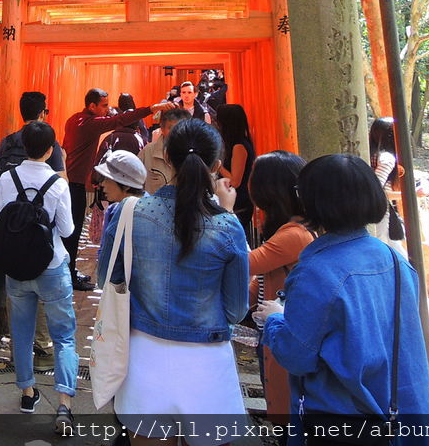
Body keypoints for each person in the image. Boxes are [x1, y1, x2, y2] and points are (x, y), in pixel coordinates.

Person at [256, 154, 429, 446]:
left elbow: (296, 356)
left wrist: (276, 318)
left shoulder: (316, 273)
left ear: (313, 202)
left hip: (342, 422)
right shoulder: (394, 259)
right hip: (400, 418)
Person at [103, 119, 249, 446]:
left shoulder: (129, 213)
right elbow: (236, 309)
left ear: (166, 157)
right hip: (206, 361)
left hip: (143, 356)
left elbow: (108, 279)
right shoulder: (228, 227)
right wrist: (225, 213)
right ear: (216, 165)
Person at [0, 121, 78, 435]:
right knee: (64, 337)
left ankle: (28, 394)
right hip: (51, 266)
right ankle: (64, 405)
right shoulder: (58, 184)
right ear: (50, 149)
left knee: (22, 333)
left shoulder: (7, 178)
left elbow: (3, 217)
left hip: (17, 266)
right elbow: (68, 230)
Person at [62, 88, 172, 290]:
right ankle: (68, 275)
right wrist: (150, 108)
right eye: (103, 105)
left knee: (72, 230)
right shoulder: (90, 124)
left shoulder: (73, 119)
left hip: (71, 181)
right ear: (91, 106)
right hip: (75, 184)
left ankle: (69, 270)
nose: (107, 109)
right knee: (73, 231)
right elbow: (117, 121)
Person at [0, 90, 64, 372]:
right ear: (43, 112)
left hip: (12, 232)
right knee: (45, 295)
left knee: (17, 295)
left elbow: (1, 194)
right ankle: (44, 348)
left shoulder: (8, 142)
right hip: (41, 236)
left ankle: (18, 352)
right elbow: (61, 185)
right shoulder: (50, 141)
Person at [245, 151, 315, 434]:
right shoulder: (291, 228)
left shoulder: (293, 234)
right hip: (274, 326)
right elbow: (260, 279)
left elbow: (242, 262)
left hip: (283, 329)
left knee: (286, 409)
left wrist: (223, 211)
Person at [93, 150, 148, 287]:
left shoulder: (116, 213)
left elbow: (105, 275)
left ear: (127, 184)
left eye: (107, 178)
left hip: (122, 297)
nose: (102, 184)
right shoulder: (154, 209)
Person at [216, 103, 257, 243]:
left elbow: (235, 181)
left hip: (239, 203)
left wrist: (218, 166)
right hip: (236, 201)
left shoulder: (239, 146)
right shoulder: (236, 143)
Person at [369, 116, 405, 247]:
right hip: (378, 211)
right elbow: (375, 190)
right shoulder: (387, 158)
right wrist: (409, 195)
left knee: (397, 250)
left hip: (376, 211)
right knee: (382, 246)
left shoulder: (371, 154)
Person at [137, 108, 189, 194]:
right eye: (171, 128)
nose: (176, 132)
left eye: (181, 128)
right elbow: (135, 184)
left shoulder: (194, 154)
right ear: (162, 129)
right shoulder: (148, 152)